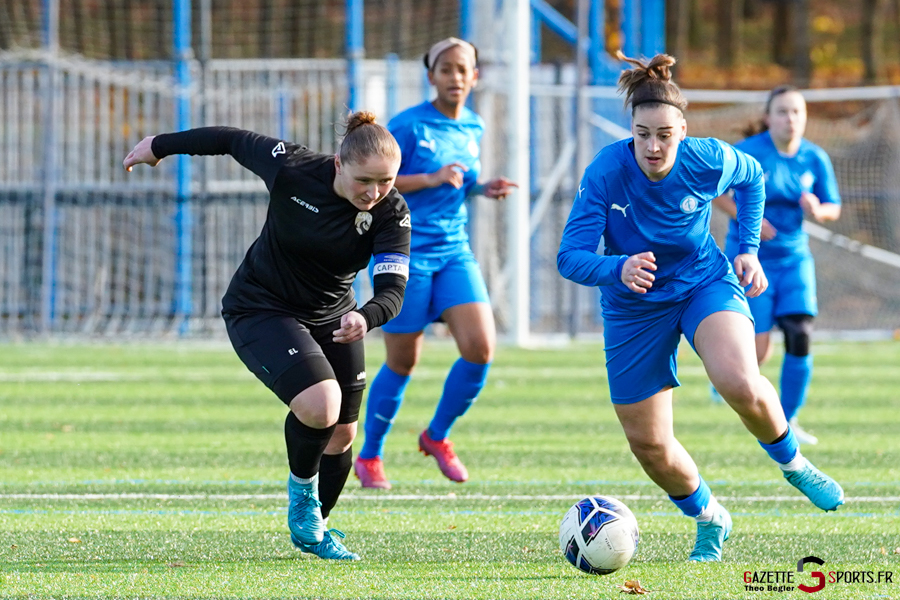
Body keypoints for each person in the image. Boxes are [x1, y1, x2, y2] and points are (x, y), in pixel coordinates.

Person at [556, 52, 844, 562]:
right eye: (642, 133)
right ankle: (710, 518)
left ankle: (795, 464)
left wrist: (746, 249)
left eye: (665, 134)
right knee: (648, 443)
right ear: (631, 130)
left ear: (682, 130)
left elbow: (752, 178)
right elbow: (570, 256)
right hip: (633, 306)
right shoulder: (605, 172)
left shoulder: (706, 157)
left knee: (737, 377)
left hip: (702, 282)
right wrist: (615, 268)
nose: (653, 145)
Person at [123, 113, 411, 560]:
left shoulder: (391, 211)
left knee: (342, 435)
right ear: (338, 165)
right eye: (365, 181)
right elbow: (230, 138)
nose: (374, 193)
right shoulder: (293, 168)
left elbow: (393, 288)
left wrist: (367, 317)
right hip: (261, 308)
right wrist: (159, 145)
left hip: (336, 317)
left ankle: (317, 529)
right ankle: (301, 498)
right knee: (321, 406)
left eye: (386, 181)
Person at [354, 37, 517, 489]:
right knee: (403, 361)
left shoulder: (475, 126)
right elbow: (373, 178)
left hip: (454, 251)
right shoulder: (407, 125)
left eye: (464, 69)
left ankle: (437, 436)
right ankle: (369, 455)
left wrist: (482, 188)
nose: (455, 77)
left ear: (475, 77)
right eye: (446, 69)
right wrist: (430, 177)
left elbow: (457, 183)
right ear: (431, 76)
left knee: (481, 350)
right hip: (405, 253)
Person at [711, 86, 841, 445]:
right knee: (758, 350)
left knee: (800, 333)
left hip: (795, 259)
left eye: (797, 112)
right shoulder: (749, 153)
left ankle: (788, 420)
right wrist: (748, 217)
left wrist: (818, 210)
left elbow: (834, 207)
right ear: (768, 118)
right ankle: (720, 374)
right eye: (782, 112)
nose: (791, 119)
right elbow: (716, 193)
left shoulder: (815, 158)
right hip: (752, 258)